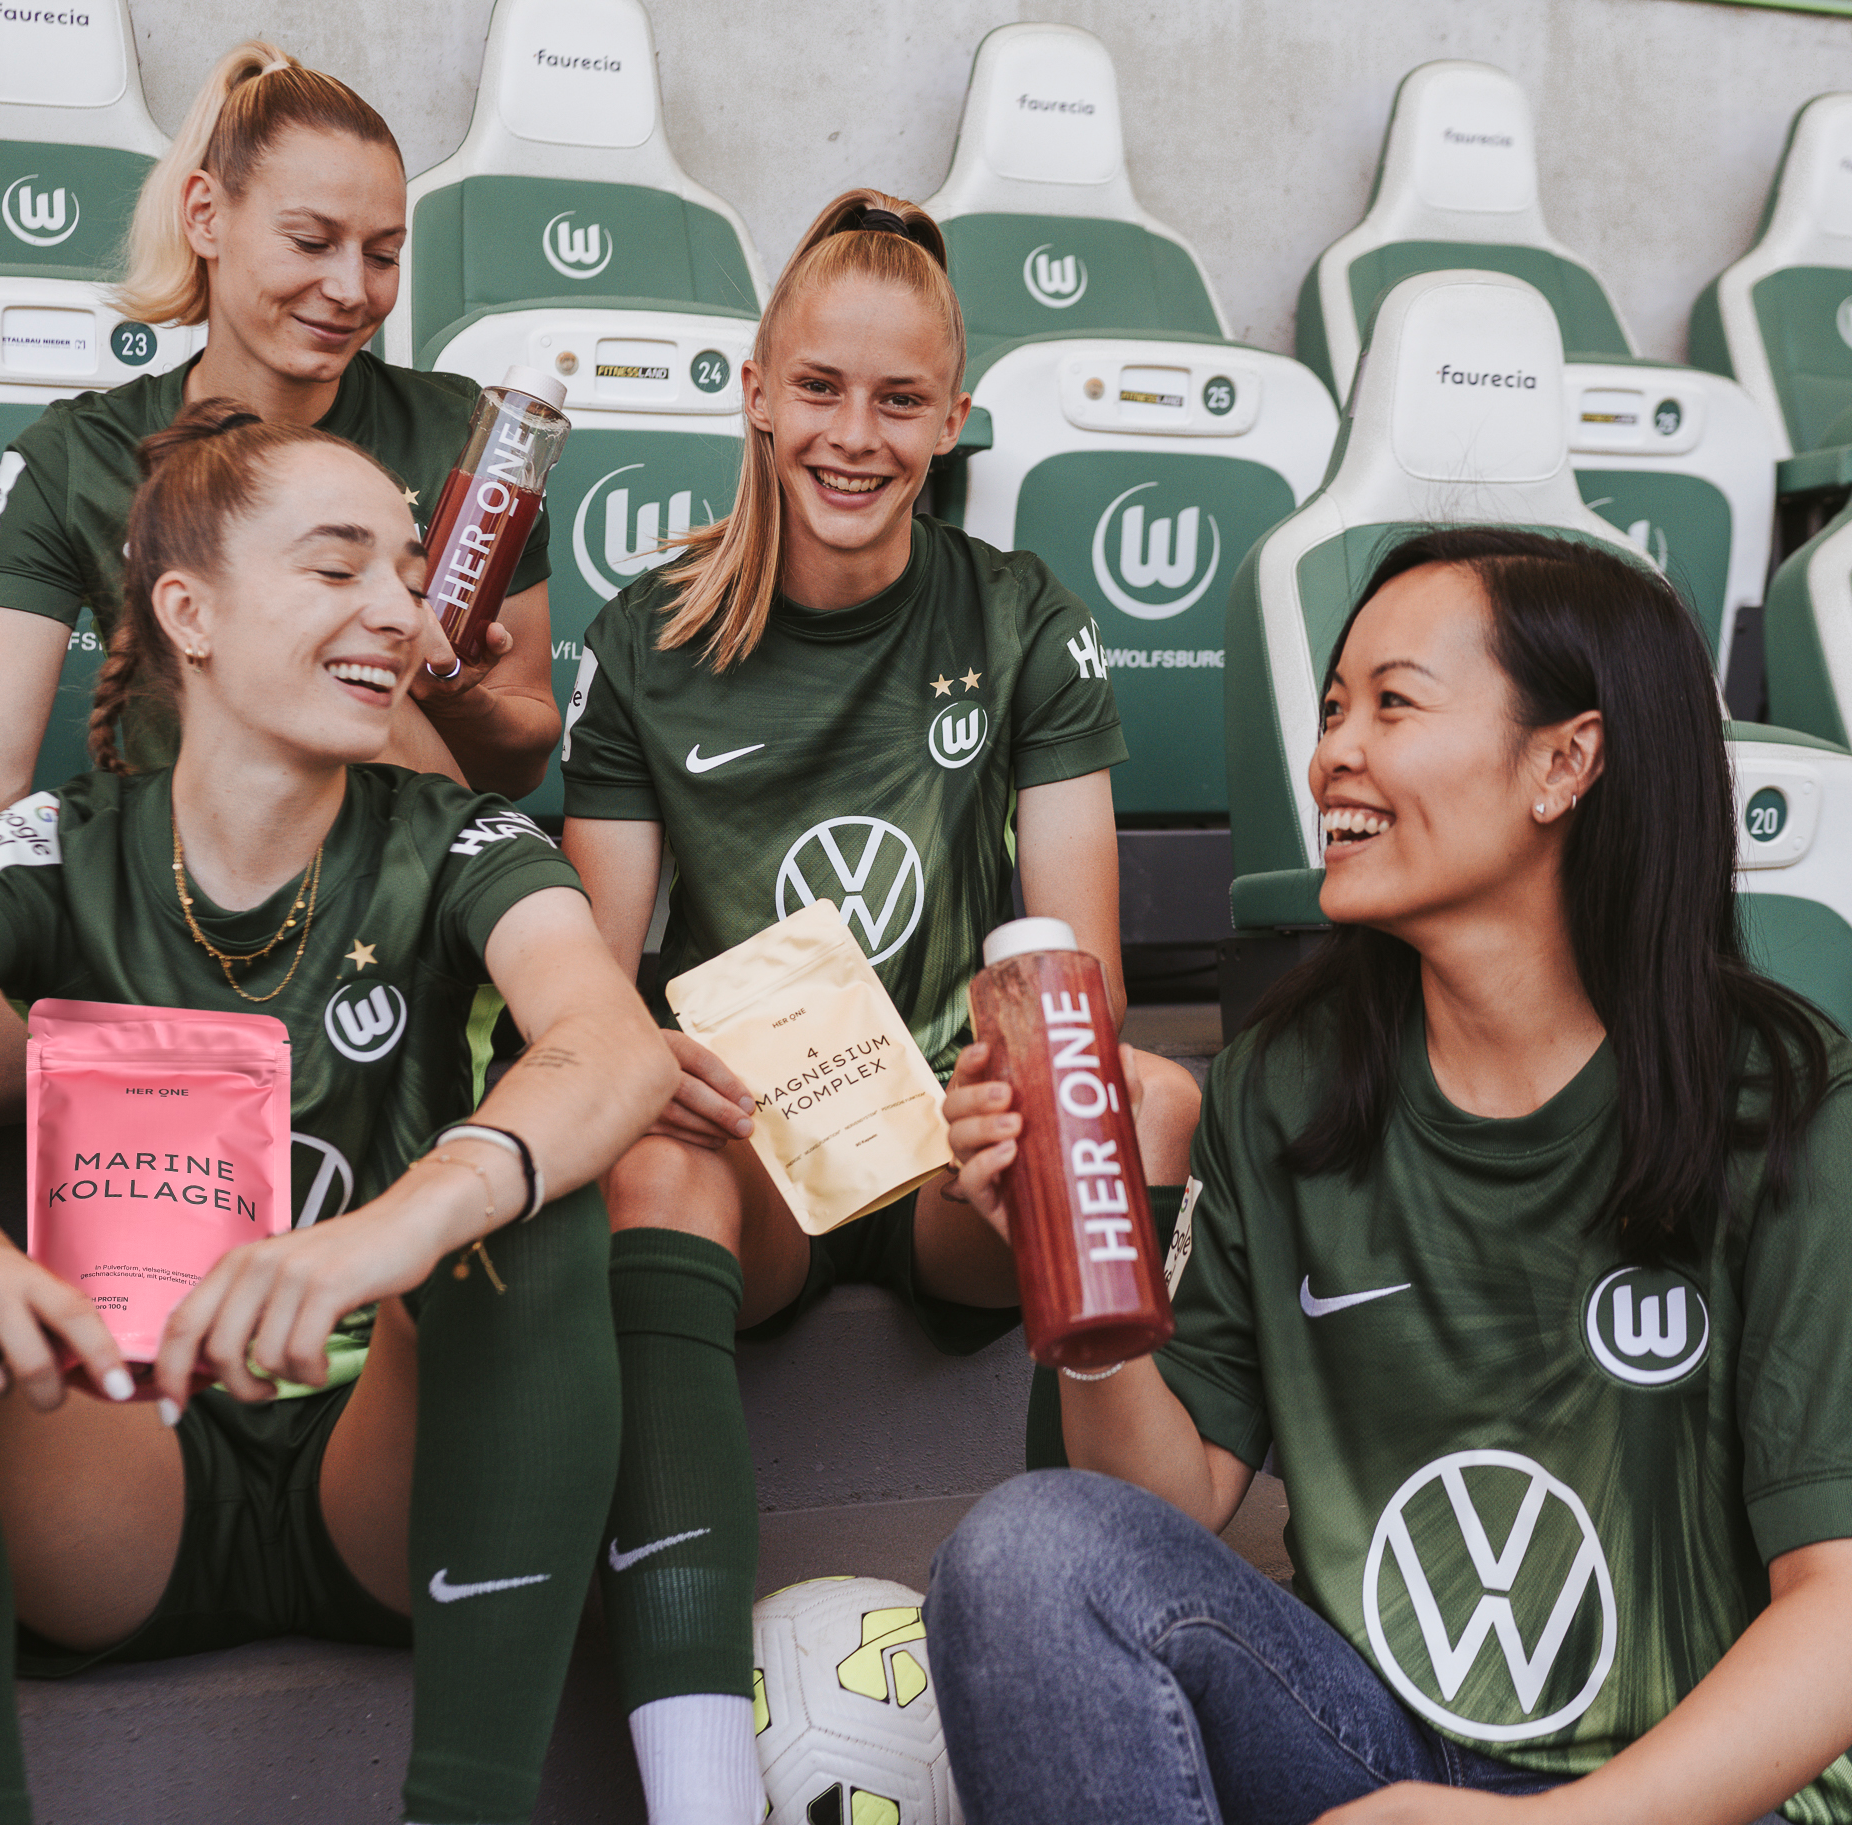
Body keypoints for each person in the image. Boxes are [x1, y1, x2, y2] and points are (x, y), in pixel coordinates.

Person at [0, 401, 670, 1825]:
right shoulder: (62, 840)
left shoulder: (459, 835)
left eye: (407, 574)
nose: (399, 612)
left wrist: (395, 1227)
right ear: (189, 612)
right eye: (338, 567)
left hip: (383, 1480)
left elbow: (610, 1042)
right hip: (120, 1465)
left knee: (532, 1211)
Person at [922, 529, 1852, 1825]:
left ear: (1564, 762)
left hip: (1682, 1798)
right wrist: (1080, 1256)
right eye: (1331, 708)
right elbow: (1153, 1510)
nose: (1332, 755)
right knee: (1025, 1554)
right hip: (1384, 1762)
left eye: (1392, 704)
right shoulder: (1286, 1082)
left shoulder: (1783, 1099)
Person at [554, 188, 1201, 1825]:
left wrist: (1004, 1093)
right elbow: (589, 985)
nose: (856, 436)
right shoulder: (646, 638)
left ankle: (1087, 1647)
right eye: (822, 390)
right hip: (755, 1155)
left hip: (940, 1156)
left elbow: (1078, 973)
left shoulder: (1017, 616)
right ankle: (701, 1786)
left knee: (1132, 1101)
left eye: (900, 400)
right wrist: (655, 1060)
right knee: (644, 1148)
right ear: (756, 393)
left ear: (953, 417)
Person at [0, 41, 561, 1143]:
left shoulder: (467, 444)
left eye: (384, 254)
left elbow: (520, 754)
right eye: (311, 241)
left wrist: (450, 692)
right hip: (162, 920)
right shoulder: (80, 454)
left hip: (383, 922)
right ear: (206, 214)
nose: (351, 289)